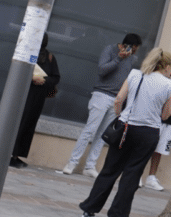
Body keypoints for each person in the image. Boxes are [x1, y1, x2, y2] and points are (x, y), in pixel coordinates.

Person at [78, 48, 171, 217]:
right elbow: (165, 115)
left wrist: (120, 116)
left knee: (109, 170)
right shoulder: (169, 85)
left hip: (125, 128)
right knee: (132, 175)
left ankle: (89, 210)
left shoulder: (135, 74)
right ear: (167, 66)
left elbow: (118, 100)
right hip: (148, 133)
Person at [59, 33, 141, 177]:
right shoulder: (109, 50)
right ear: (126, 45)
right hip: (101, 95)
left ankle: (90, 166)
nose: (134, 52)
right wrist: (118, 59)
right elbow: (102, 70)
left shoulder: (132, 59)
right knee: (90, 130)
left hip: (116, 99)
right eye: (133, 49)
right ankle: (72, 162)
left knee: (103, 135)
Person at [9, 33, 61, 168]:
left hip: (37, 99)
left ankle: (17, 155)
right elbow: (17, 71)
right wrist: (31, 78)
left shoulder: (50, 57)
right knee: (18, 123)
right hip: (22, 95)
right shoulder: (26, 54)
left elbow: (56, 77)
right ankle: (9, 154)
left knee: (28, 125)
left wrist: (43, 80)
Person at [141, 51, 171, 190]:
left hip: (170, 121)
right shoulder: (164, 78)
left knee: (160, 150)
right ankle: (137, 174)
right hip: (156, 119)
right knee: (147, 147)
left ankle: (151, 177)